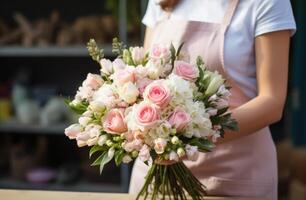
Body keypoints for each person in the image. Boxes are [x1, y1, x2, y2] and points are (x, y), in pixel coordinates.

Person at [129, 0, 296, 199]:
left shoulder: (267, 3)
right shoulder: (162, 2)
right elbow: (145, 78)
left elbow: (272, 102)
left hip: (235, 176)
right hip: (155, 176)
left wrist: (189, 140)